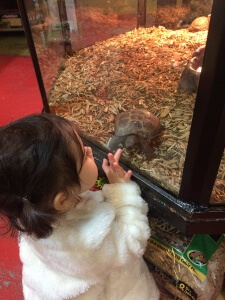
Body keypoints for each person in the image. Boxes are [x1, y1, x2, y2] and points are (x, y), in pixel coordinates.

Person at [0, 113, 160, 300]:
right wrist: (122, 193)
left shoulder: (29, 207)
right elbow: (132, 241)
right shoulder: (87, 245)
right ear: (63, 200)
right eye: (84, 156)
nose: (90, 150)